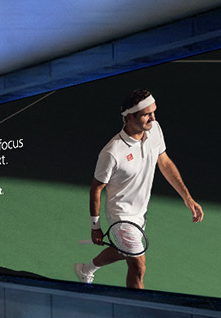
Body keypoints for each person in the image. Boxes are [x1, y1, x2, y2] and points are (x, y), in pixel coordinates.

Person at [76, 89, 204, 289]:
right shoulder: (112, 152)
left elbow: (165, 162)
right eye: (146, 114)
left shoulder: (154, 129)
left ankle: (86, 269)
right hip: (122, 216)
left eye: (154, 112)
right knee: (138, 266)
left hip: (140, 212)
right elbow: (96, 189)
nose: (153, 118)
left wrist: (187, 198)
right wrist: (95, 227)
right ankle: (135, 312)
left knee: (122, 251)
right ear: (129, 117)